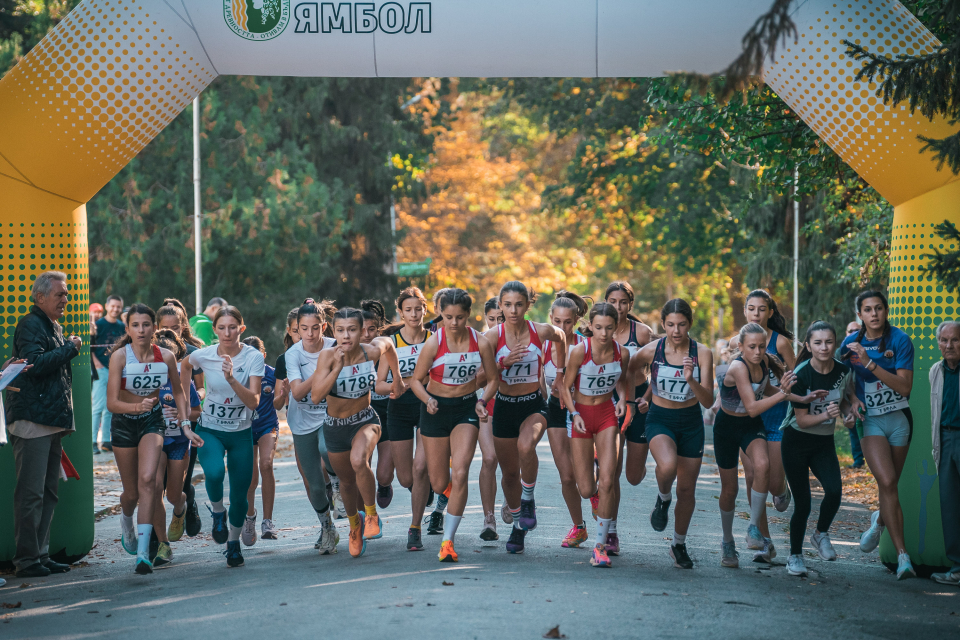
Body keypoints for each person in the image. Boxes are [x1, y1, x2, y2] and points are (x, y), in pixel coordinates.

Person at [476, 281, 567, 554]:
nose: (513, 310)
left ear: (529, 304)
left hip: (533, 405)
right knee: (509, 475)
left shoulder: (540, 331)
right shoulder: (492, 338)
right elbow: (478, 378)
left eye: (519, 304)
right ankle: (518, 526)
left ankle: (528, 500)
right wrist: (503, 363)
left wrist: (559, 374)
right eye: (507, 305)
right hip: (504, 406)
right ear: (500, 306)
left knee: (526, 446)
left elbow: (561, 337)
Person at [107, 304, 199, 574]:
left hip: (152, 422)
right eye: (135, 325)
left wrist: (184, 424)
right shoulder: (120, 358)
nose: (141, 330)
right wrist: (136, 407)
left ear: (154, 328)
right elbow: (112, 402)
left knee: (149, 481)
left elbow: (180, 393)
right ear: (128, 329)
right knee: (132, 493)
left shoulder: (167, 356)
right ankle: (127, 521)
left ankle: (144, 554)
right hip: (124, 424)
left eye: (146, 324)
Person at [311, 306, 404, 558]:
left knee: (358, 461)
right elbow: (317, 395)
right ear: (333, 331)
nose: (346, 336)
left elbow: (390, 346)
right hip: (335, 427)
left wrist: (397, 378)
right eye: (340, 330)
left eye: (352, 330)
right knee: (347, 483)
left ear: (361, 330)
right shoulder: (328, 357)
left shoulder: (370, 351)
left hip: (365, 419)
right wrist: (337, 368)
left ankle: (372, 515)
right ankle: (355, 525)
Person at [409, 289, 494, 562]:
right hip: (435, 409)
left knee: (460, 472)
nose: (454, 323)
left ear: (468, 315)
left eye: (459, 317)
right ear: (441, 315)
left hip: (465, 410)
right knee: (438, 483)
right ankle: (444, 492)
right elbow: (415, 380)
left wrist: (483, 400)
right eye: (448, 317)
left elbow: (493, 378)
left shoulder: (480, 343)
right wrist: (427, 399)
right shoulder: (434, 343)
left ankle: (448, 541)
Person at [7, 271, 80, 578]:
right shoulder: (29, 324)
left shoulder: (52, 325)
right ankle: (26, 561)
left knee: (48, 493)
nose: (66, 299)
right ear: (40, 298)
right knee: (31, 494)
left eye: (66, 294)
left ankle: (40, 554)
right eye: (60, 294)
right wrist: (70, 348)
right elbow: (34, 365)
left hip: (50, 421)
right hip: (32, 421)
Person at [631, 299, 714, 569]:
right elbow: (627, 367)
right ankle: (663, 498)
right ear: (663, 324)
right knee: (667, 466)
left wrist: (691, 379)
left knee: (688, 489)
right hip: (660, 418)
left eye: (681, 324)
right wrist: (635, 396)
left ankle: (678, 544)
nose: (676, 330)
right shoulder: (653, 349)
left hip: (690, 422)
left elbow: (709, 401)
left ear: (689, 324)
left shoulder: (702, 353)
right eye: (670, 325)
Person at [840, 290, 916, 580]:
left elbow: (905, 387)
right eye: (868, 310)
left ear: (886, 310)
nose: (874, 314)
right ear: (860, 314)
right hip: (870, 421)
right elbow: (841, 383)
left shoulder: (900, 340)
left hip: (899, 420)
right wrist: (851, 401)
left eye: (879, 308)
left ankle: (878, 522)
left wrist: (870, 364)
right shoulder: (850, 343)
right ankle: (903, 556)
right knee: (886, 480)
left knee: (891, 485)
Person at [181, 305, 264, 568]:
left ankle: (233, 543)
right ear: (214, 330)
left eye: (232, 327)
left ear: (242, 328)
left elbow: (253, 402)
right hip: (210, 429)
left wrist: (232, 380)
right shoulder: (203, 356)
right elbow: (183, 367)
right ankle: (218, 511)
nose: (227, 333)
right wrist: (187, 413)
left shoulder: (253, 357)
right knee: (215, 473)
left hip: (241, 433)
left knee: (241, 494)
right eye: (221, 328)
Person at [714, 323, 800, 568]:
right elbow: (753, 406)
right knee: (729, 490)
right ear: (740, 347)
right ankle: (727, 541)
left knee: (763, 465)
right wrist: (782, 395)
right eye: (752, 347)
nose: (758, 351)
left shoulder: (763, 362)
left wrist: (799, 398)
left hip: (751, 427)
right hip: (727, 428)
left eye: (762, 346)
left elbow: (769, 389)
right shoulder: (738, 366)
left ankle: (754, 528)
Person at [560, 302, 633, 568]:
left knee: (608, 481)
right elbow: (565, 387)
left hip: (606, 417)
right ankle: (592, 495)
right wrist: (573, 414)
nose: (604, 333)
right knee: (586, 488)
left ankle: (600, 546)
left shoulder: (621, 353)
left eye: (609, 328)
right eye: (599, 327)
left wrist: (623, 399)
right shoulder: (580, 351)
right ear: (591, 326)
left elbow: (623, 380)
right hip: (581, 417)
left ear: (616, 327)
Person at [780, 321, 853, 577]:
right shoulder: (801, 374)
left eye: (829, 341)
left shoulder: (844, 371)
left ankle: (821, 534)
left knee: (834, 491)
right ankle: (795, 556)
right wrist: (827, 416)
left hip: (823, 443)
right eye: (818, 342)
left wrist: (848, 414)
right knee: (803, 504)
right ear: (809, 346)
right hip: (796, 442)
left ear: (835, 343)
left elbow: (844, 401)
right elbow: (801, 420)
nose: (824, 347)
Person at [376, 287, 434, 551]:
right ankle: (423, 489)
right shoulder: (391, 342)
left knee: (421, 467)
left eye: (418, 309)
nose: (414, 314)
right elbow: (378, 384)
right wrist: (395, 386)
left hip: (426, 406)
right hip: (398, 408)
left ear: (425, 309)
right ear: (400, 312)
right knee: (406, 478)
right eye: (408, 310)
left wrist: (416, 383)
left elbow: (441, 375)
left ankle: (415, 528)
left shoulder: (434, 339)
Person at [729, 290, 796, 516]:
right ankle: (758, 530)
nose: (756, 314)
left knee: (773, 483)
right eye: (751, 308)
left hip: (776, 415)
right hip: (748, 416)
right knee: (752, 475)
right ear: (745, 311)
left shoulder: (781, 342)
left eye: (761, 309)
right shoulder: (737, 342)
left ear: (770, 312)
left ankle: (782, 488)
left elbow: (796, 377)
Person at [286, 299, 343, 553]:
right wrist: (321, 370)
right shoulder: (293, 354)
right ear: (297, 328)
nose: (310, 334)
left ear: (324, 326)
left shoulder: (336, 346)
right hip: (302, 421)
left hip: (329, 414)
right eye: (304, 328)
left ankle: (338, 481)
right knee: (315, 488)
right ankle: (327, 527)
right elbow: (297, 393)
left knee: (326, 447)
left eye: (315, 328)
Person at [605, 281, 655, 554]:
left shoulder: (643, 333)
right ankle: (611, 531)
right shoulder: (599, 330)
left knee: (633, 476)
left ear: (630, 305)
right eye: (613, 301)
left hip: (638, 405)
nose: (618, 307)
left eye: (623, 302)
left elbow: (661, 368)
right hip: (610, 404)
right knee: (610, 471)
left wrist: (647, 397)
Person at [150, 329, 202, 566]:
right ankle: (163, 545)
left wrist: (180, 414)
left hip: (179, 442)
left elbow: (196, 413)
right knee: (154, 488)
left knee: (172, 494)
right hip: (155, 439)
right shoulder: (148, 378)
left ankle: (181, 507)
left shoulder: (183, 380)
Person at [543, 292, 590, 549]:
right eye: (557, 322)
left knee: (585, 480)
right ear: (551, 319)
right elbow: (538, 378)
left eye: (568, 322)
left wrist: (572, 391)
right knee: (566, 476)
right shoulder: (543, 344)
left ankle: (594, 495)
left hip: (584, 411)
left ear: (576, 320)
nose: (562, 327)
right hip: (556, 411)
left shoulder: (586, 345)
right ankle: (579, 527)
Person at [156, 301, 206, 537]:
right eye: (167, 327)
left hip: (187, 426)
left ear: (183, 326)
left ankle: (187, 503)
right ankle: (157, 539)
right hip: (155, 432)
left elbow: (201, 389)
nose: (172, 332)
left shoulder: (193, 353)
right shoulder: (151, 358)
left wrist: (183, 407)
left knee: (179, 485)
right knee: (157, 484)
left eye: (176, 327)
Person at [930, 321, 960, 586]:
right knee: (950, 507)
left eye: (955, 340)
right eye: (944, 340)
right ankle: (958, 568)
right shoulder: (935, 371)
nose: (949, 345)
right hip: (946, 439)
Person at [242, 336, 280, 544]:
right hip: (245, 428)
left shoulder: (272, 374)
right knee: (251, 477)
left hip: (267, 426)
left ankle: (268, 521)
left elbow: (280, 402)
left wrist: (283, 395)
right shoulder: (238, 375)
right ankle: (250, 517)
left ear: (263, 355)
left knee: (266, 464)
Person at [362, 300, 395, 509]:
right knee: (362, 463)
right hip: (362, 413)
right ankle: (366, 509)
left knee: (383, 474)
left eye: (372, 329)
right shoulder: (351, 353)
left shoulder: (389, 348)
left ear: (379, 330)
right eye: (362, 330)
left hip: (389, 412)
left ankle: (384, 485)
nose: (366, 334)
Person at [479, 297, 506, 538]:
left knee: (512, 460)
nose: (496, 323)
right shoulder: (479, 341)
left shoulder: (523, 337)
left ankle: (513, 498)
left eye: (501, 318)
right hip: (485, 403)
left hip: (515, 404)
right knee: (489, 458)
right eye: (492, 319)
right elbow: (475, 378)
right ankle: (489, 519)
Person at [92, 294, 125, 453]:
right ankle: (92, 440)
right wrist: (96, 363)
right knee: (98, 405)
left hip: (115, 370)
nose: (115, 309)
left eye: (118, 306)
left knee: (110, 407)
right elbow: (89, 345)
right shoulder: (98, 324)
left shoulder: (121, 326)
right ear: (107, 306)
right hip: (101, 369)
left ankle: (106, 440)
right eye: (113, 306)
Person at [845, 319, 865, 468]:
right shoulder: (842, 351)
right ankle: (858, 460)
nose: (853, 334)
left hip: (868, 396)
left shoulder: (868, 350)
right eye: (850, 331)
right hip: (850, 398)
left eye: (856, 330)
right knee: (853, 427)